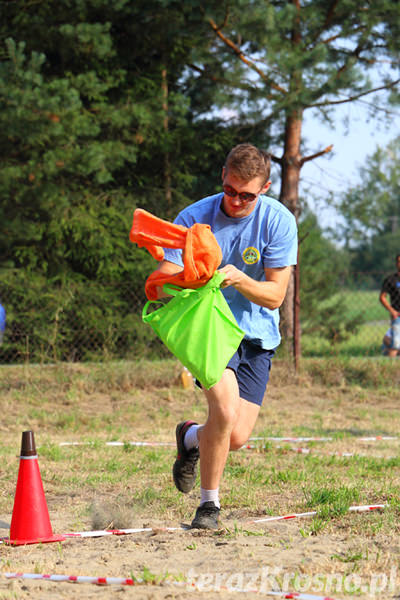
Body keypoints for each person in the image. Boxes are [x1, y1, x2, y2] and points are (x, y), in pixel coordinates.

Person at [153, 143, 298, 529]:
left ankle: (189, 438)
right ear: (223, 176)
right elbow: (163, 278)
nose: (236, 201)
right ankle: (209, 507)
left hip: (256, 336)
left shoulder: (279, 221)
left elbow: (275, 296)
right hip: (208, 329)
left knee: (235, 436)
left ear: (264, 188)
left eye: (247, 195)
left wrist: (240, 278)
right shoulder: (194, 216)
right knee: (224, 410)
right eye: (231, 190)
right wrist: (183, 271)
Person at [379, 254, 400, 358]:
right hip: (398, 316)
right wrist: (392, 311)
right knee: (395, 343)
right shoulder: (391, 280)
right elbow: (382, 297)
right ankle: (391, 368)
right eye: (399, 261)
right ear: (396, 264)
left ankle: (386, 351)